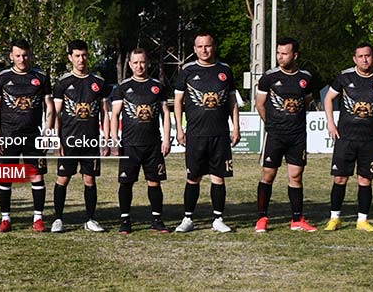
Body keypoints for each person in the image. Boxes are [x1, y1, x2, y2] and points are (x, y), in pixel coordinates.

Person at [323, 43, 373, 232]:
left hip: (370, 139)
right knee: (340, 178)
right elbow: (328, 98)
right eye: (361, 56)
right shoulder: (345, 76)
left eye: (368, 55)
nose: (365, 59)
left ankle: (362, 220)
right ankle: (334, 218)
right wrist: (331, 123)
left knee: (365, 180)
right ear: (355, 59)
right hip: (345, 137)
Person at [173, 32, 240, 233]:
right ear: (194, 49)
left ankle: (218, 219)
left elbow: (232, 101)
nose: (204, 50)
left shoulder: (225, 70)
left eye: (207, 46)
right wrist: (179, 128)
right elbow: (178, 102)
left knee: (218, 177)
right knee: (193, 177)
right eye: (200, 46)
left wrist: (236, 127)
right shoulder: (187, 70)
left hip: (220, 134)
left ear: (214, 47)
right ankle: (188, 219)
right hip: (195, 134)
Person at [254, 37, 316, 233]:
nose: (280, 57)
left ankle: (297, 219)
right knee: (268, 174)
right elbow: (260, 104)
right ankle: (262, 218)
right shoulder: (269, 77)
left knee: (296, 176)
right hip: (275, 135)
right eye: (278, 53)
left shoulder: (306, 77)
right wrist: (271, 124)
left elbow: (307, 101)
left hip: (297, 136)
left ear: (295, 55)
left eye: (284, 53)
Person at [0, 39, 54, 233]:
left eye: (25, 55)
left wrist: (48, 133)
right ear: (11, 56)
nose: (22, 59)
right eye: (18, 55)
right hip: (8, 135)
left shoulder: (41, 77)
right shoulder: (2, 78)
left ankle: (38, 218)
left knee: (36, 175)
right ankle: (5, 219)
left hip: (33, 136)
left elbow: (50, 107)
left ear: (31, 55)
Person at [51, 40, 110, 233]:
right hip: (68, 140)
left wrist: (106, 139)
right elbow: (56, 114)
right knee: (63, 179)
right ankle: (58, 219)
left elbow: (105, 113)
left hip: (90, 141)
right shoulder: (62, 83)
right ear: (70, 57)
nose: (81, 59)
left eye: (84, 55)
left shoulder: (99, 82)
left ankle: (90, 219)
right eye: (77, 56)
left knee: (90, 180)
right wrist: (56, 139)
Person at [110, 48, 171, 234]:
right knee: (126, 183)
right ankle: (125, 221)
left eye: (142, 62)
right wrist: (114, 140)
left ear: (148, 63)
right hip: (130, 145)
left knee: (154, 182)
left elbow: (165, 114)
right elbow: (115, 115)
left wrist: (166, 139)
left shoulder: (157, 86)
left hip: (153, 145)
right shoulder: (122, 87)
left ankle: (157, 220)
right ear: (130, 65)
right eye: (135, 62)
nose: (139, 66)